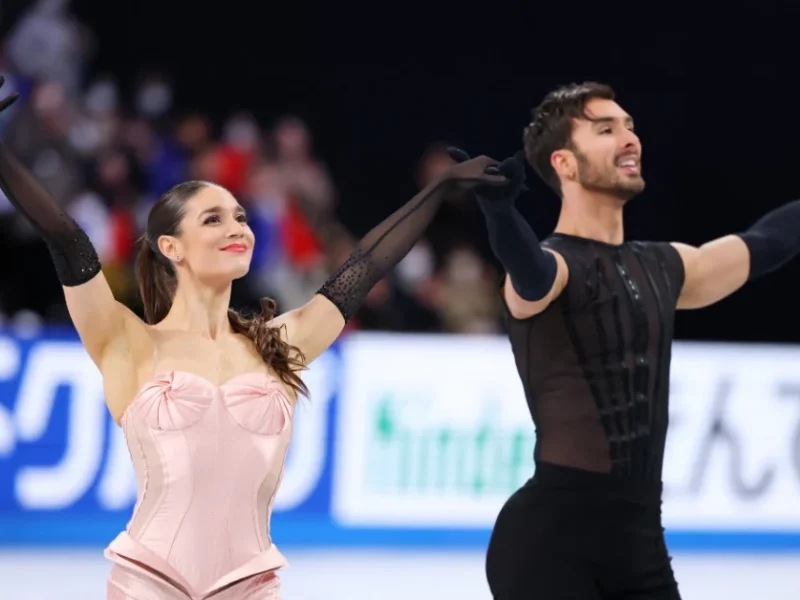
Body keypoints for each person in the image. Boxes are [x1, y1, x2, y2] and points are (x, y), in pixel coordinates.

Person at [0, 77, 515, 600]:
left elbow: (365, 265)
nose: (238, 228)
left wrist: (439, 190)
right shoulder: (128, 342)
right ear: (171, 247)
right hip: (148, 585)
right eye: (214, 218)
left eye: (241, 217)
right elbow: (68, 241)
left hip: (250, 589)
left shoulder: (278, 344)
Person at [451, 81, 800, 600]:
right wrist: (501, 215)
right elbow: (530, 274)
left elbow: (766, 244)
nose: (629, 138)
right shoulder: (554, 268)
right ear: (565, 164)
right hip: (548, 547)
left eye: (630, 126)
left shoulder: (667, 265)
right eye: (606, 129)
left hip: (640, 548)